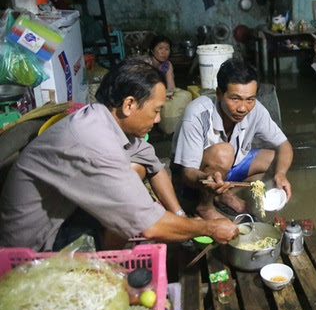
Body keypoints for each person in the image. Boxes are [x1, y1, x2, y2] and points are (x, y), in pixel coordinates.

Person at [0, 59, 238, 251]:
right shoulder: (93, 143)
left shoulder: (102, 118)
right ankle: (107, 263)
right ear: (129, 105)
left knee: (138, 169)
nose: (157, 120)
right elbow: (151, 226)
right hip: (35, 246)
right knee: (133, 214)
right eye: (156, 111)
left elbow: (154, 166)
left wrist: (180, 215)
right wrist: (208, 228)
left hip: (63, 214)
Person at [171, 57, 293, 220]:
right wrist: (206, 179)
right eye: (235, 99)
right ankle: (204, 206)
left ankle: (223, 195)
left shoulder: (255, 110)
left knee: (273, 159)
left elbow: (284, 145)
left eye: (250, 99)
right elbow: (187, 172)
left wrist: (281, 174)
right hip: (192, 181)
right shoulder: (197, 114)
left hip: (224, 173)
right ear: (219, 94)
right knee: (224, 152)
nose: (243, 108)